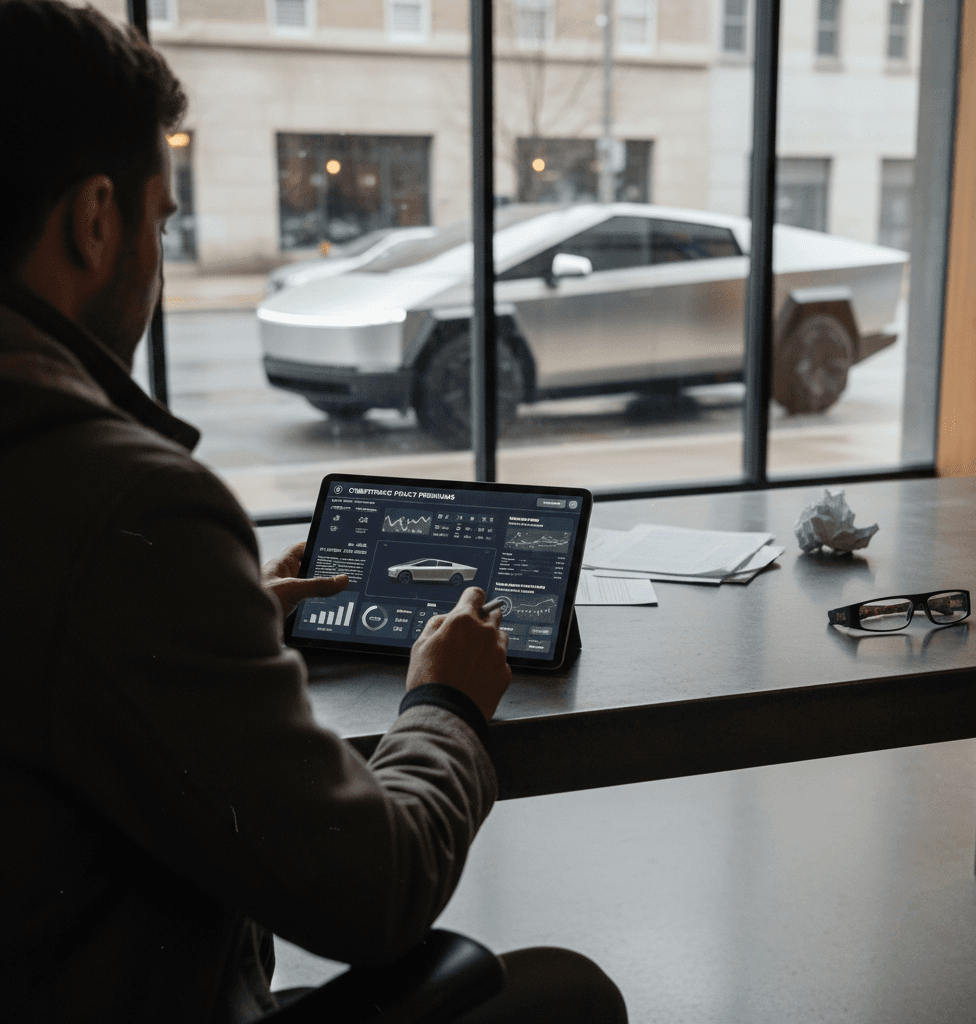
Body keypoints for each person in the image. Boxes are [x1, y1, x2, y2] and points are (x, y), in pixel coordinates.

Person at [0, 2, 628, 1022]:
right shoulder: (125, 501)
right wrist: (446, 703)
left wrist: (209, 616)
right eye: (161, 223)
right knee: (570, 993)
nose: (156, 257)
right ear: (96, 218)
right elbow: (371, 891)